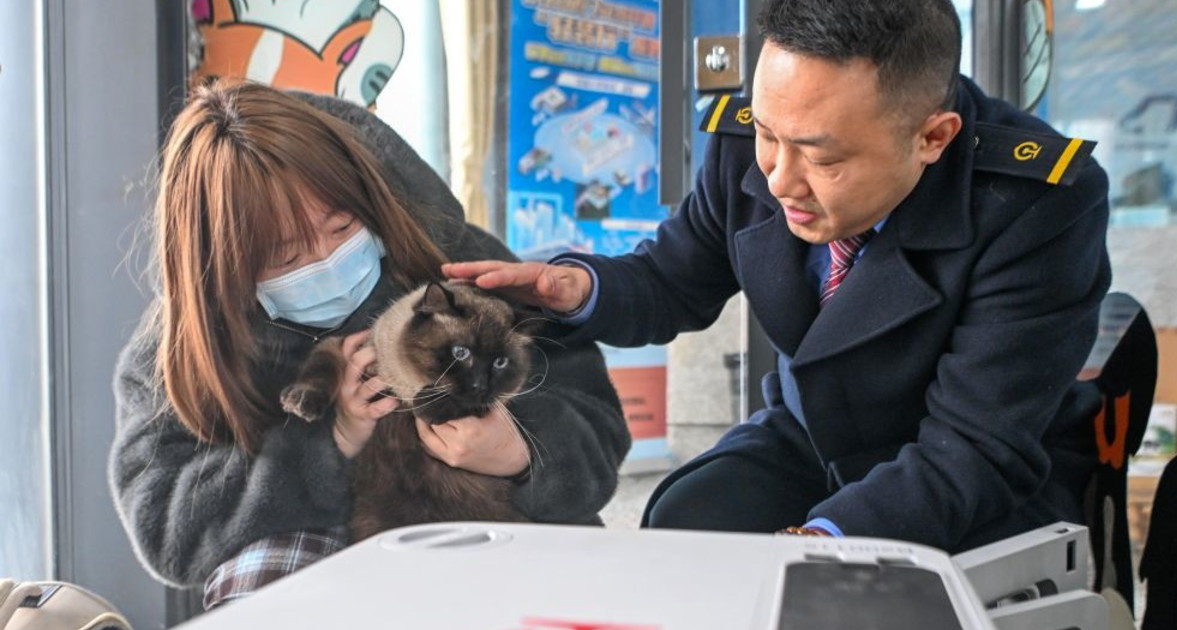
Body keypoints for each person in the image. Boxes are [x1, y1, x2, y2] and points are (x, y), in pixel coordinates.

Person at [444, 0, 1111, 553]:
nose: (780, 180)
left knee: (847, 601)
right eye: (769, 136)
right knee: (686, 525)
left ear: (932, 138)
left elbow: (976, 446)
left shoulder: (1037, 202)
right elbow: (675, 278)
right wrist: (579, 289)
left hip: (968, 467)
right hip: (813, 434)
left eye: (823, 159)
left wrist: (820, 543)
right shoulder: (759, 138)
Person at [108, 80, 630, 608]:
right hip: (316, 561)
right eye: (286, 257)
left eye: (342, 226)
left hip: (501, 530)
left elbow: (598, 431)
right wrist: (323, 446)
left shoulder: (457, 265)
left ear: (368, 197)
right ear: (225, 266)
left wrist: (520, 453)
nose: (326, 260)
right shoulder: (178, 353)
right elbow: (168, 532)